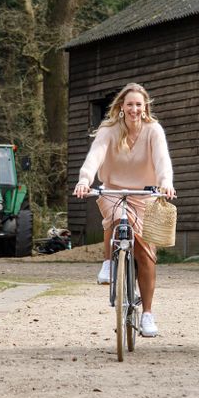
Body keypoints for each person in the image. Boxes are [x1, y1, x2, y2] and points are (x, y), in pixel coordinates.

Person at [74, 83, 176, 338]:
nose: (134, 109)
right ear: (121, 107)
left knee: (146, 253)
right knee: (116, 216)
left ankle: (148, 314)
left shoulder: (153, 130)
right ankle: (109, 262)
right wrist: (85, 180)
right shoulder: (109, 130)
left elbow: (163, 159)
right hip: (114, 190)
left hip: (145, 194)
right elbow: (95, 156)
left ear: (145, 107)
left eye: (138, 105)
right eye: (129, 104)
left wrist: (166, 183)